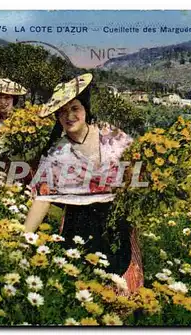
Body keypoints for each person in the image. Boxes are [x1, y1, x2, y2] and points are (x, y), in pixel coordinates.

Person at [23, 74, 144, 293]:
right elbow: (42, 198)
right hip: (78, 225)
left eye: (75, 108)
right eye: (62, 112)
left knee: (121, 287)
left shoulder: (112, 137)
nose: (69, 116)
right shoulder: (56, 154)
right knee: (83, 288)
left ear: (85, 109)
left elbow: (138, 168)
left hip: (116, 221)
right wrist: (23, 240)